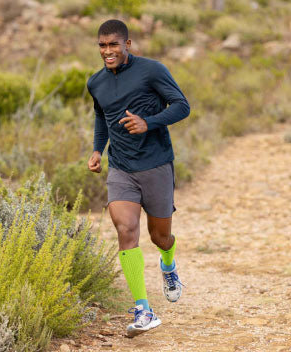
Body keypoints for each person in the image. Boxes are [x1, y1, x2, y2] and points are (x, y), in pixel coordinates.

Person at [85, 18, 190, 338]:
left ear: (127, 45)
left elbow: (183, 106)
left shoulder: (152, 70)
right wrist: (97, 150)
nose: (107, 51)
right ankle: (143, 309)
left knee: (160, 238)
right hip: (121, 168)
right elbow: (102, 117)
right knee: (125, 229)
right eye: (102, 45)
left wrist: (150, 122)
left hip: (157, 164)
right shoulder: (96, 82)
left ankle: (168, 266)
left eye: (114, 44)